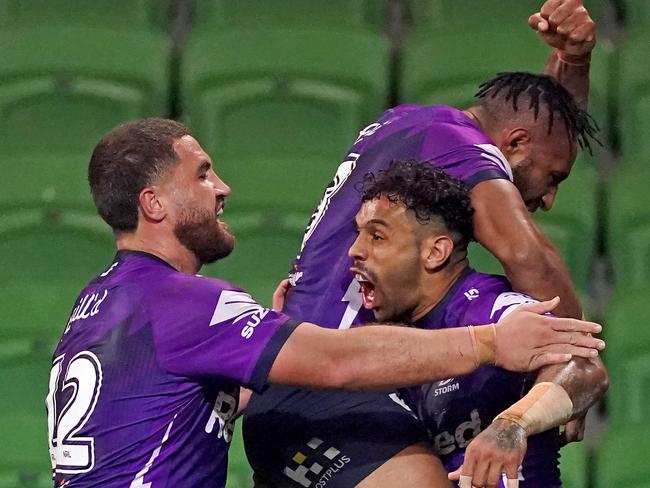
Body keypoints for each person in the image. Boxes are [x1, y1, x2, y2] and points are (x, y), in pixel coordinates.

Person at [44, 119, 602, 488]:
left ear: (435, 250)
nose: (223, 188)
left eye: (377, 237)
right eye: (202, 173)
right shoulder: (184, 303)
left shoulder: (96, 307)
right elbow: (339, 361)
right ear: (154, 204)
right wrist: (489, 344)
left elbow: (172, 410)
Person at [243, 0, 604, 485]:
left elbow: (545, 124)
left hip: (301, 391)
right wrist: (571, 348)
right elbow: (525, 253)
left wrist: (572, 63)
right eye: (553, 177)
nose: (550, 198)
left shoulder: (410, 126)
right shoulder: (457, 141)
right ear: (512, 145)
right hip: (336, 389)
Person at [244, 162, 607, 488]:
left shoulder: (485, 305)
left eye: (377, 236)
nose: (355, 250)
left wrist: (512, 425)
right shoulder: (384, 333)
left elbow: (583, 366)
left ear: (435, 252)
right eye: (357, 234)